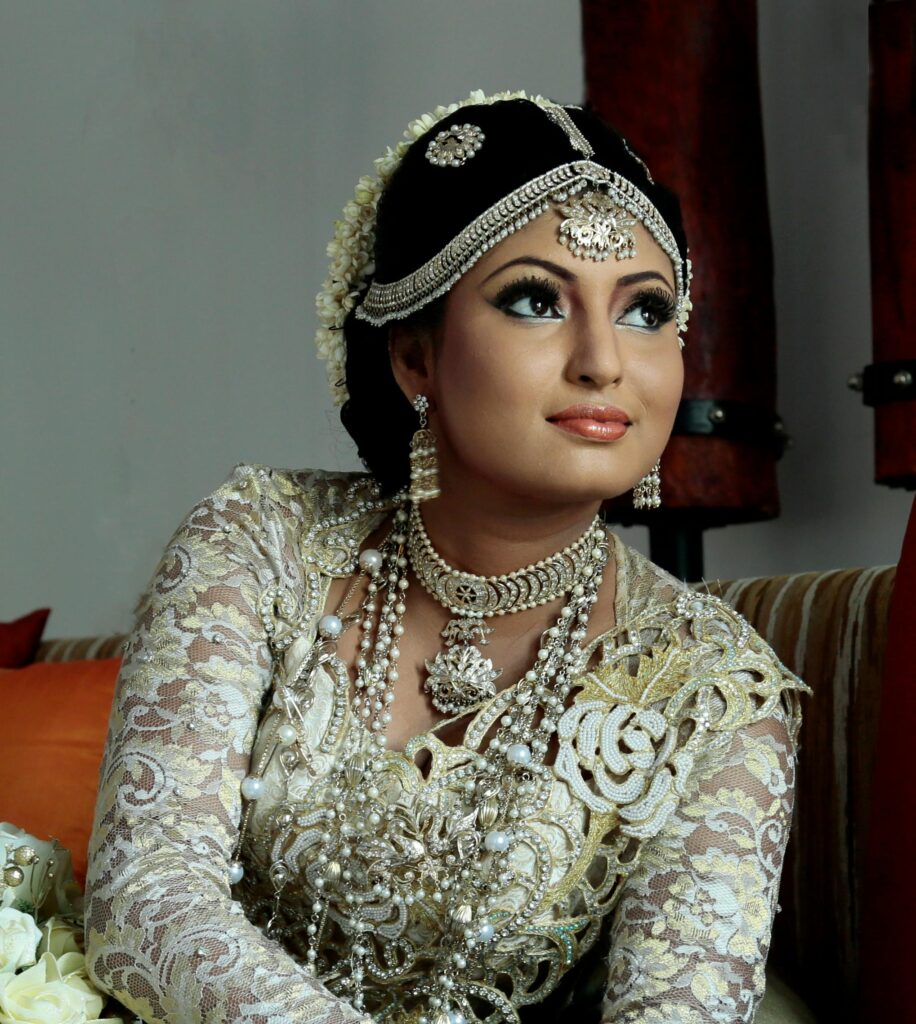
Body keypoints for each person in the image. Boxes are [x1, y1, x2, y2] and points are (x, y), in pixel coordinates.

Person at [84, 90, 812, 1024]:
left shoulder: (715, 693)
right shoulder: (259, 539)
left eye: (645, 312)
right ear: (414, 357)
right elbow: (145, 905)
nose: (602, 361)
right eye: (536, 300)